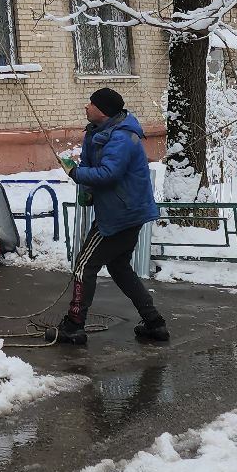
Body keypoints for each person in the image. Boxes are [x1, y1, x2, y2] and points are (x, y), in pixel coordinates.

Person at [46, 88, 167, 345]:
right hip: (125, 211)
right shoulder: (98, 132)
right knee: (119, 267)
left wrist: (76, 174)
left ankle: (74, 325)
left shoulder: (121, 138)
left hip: (120, 215)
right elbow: (93, 166)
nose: (86, 106)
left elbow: (109, 173)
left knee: (84, 265)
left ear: (104, 110)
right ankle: (154, 322)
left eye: (91, 103)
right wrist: (87, 188)